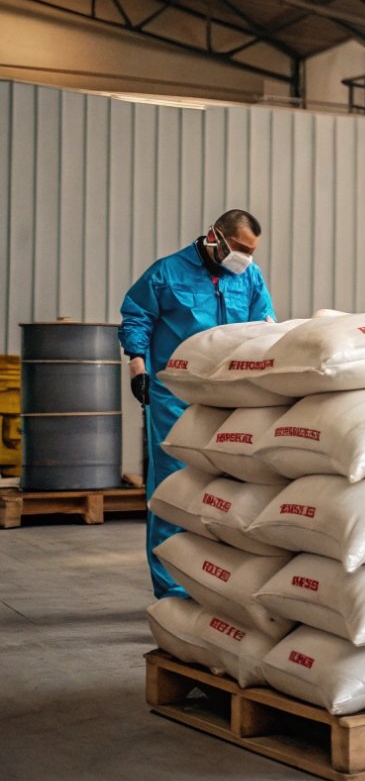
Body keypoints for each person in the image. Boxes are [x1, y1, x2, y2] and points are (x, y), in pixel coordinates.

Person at [119, 210, 276, 598]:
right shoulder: (167, 273)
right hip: (175, 397)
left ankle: (218, 585)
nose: (245, 258)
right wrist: (138, 365)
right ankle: (173, 591)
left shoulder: (249, 277)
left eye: (251, 251)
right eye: (239, 249)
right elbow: (136, 316)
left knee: (230, 487)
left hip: (230, 398)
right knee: (173, 487)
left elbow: (265, 327)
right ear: (215, 238)